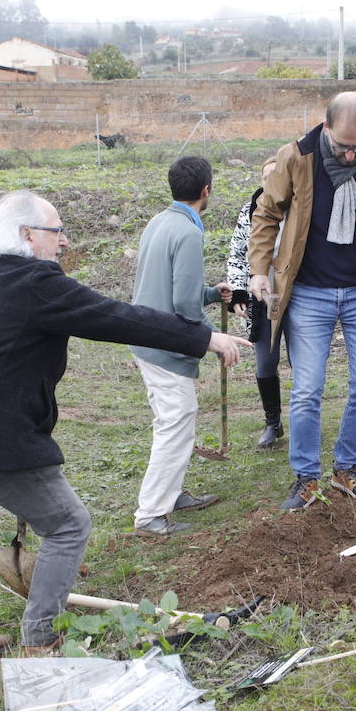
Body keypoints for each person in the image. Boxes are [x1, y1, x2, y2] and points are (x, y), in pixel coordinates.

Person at [0, 190, 246, 667]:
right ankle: (40, 640)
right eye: (56, 232)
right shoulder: (33, 282)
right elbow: (117, 317)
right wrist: (203, 336)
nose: (64, 242)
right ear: (26, 235)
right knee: (69, 525)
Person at [248, 91, 356, 510]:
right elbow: (266, 213)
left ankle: (346, 470)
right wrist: (258, 269)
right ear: (326, 128)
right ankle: (307, 478)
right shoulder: (297, 158)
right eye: (342, 146)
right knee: (307, 390)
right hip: (307, 293)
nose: (349, 156)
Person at [130, 156, 233, 535]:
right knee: (175, 424)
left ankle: (170, 495)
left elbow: (168, 287)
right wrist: (213, 339)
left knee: (175, 419)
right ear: (206, 190)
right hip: (163, 346)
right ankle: (150, 514)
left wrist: (208, 292)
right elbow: (184, 306)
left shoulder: (160, 221)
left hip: (146, 336)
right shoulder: (189, 233)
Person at [227, 157, 288, 449]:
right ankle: (272, 422)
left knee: (304, 364)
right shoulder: (250, 210)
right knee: (266, 363)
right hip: (266, 298)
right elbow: (238, 253)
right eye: (265, 177)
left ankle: (305, 419)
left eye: (275, 176)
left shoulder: (301, 210)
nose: (270, 182)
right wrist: (239, 291)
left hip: (298, 296)